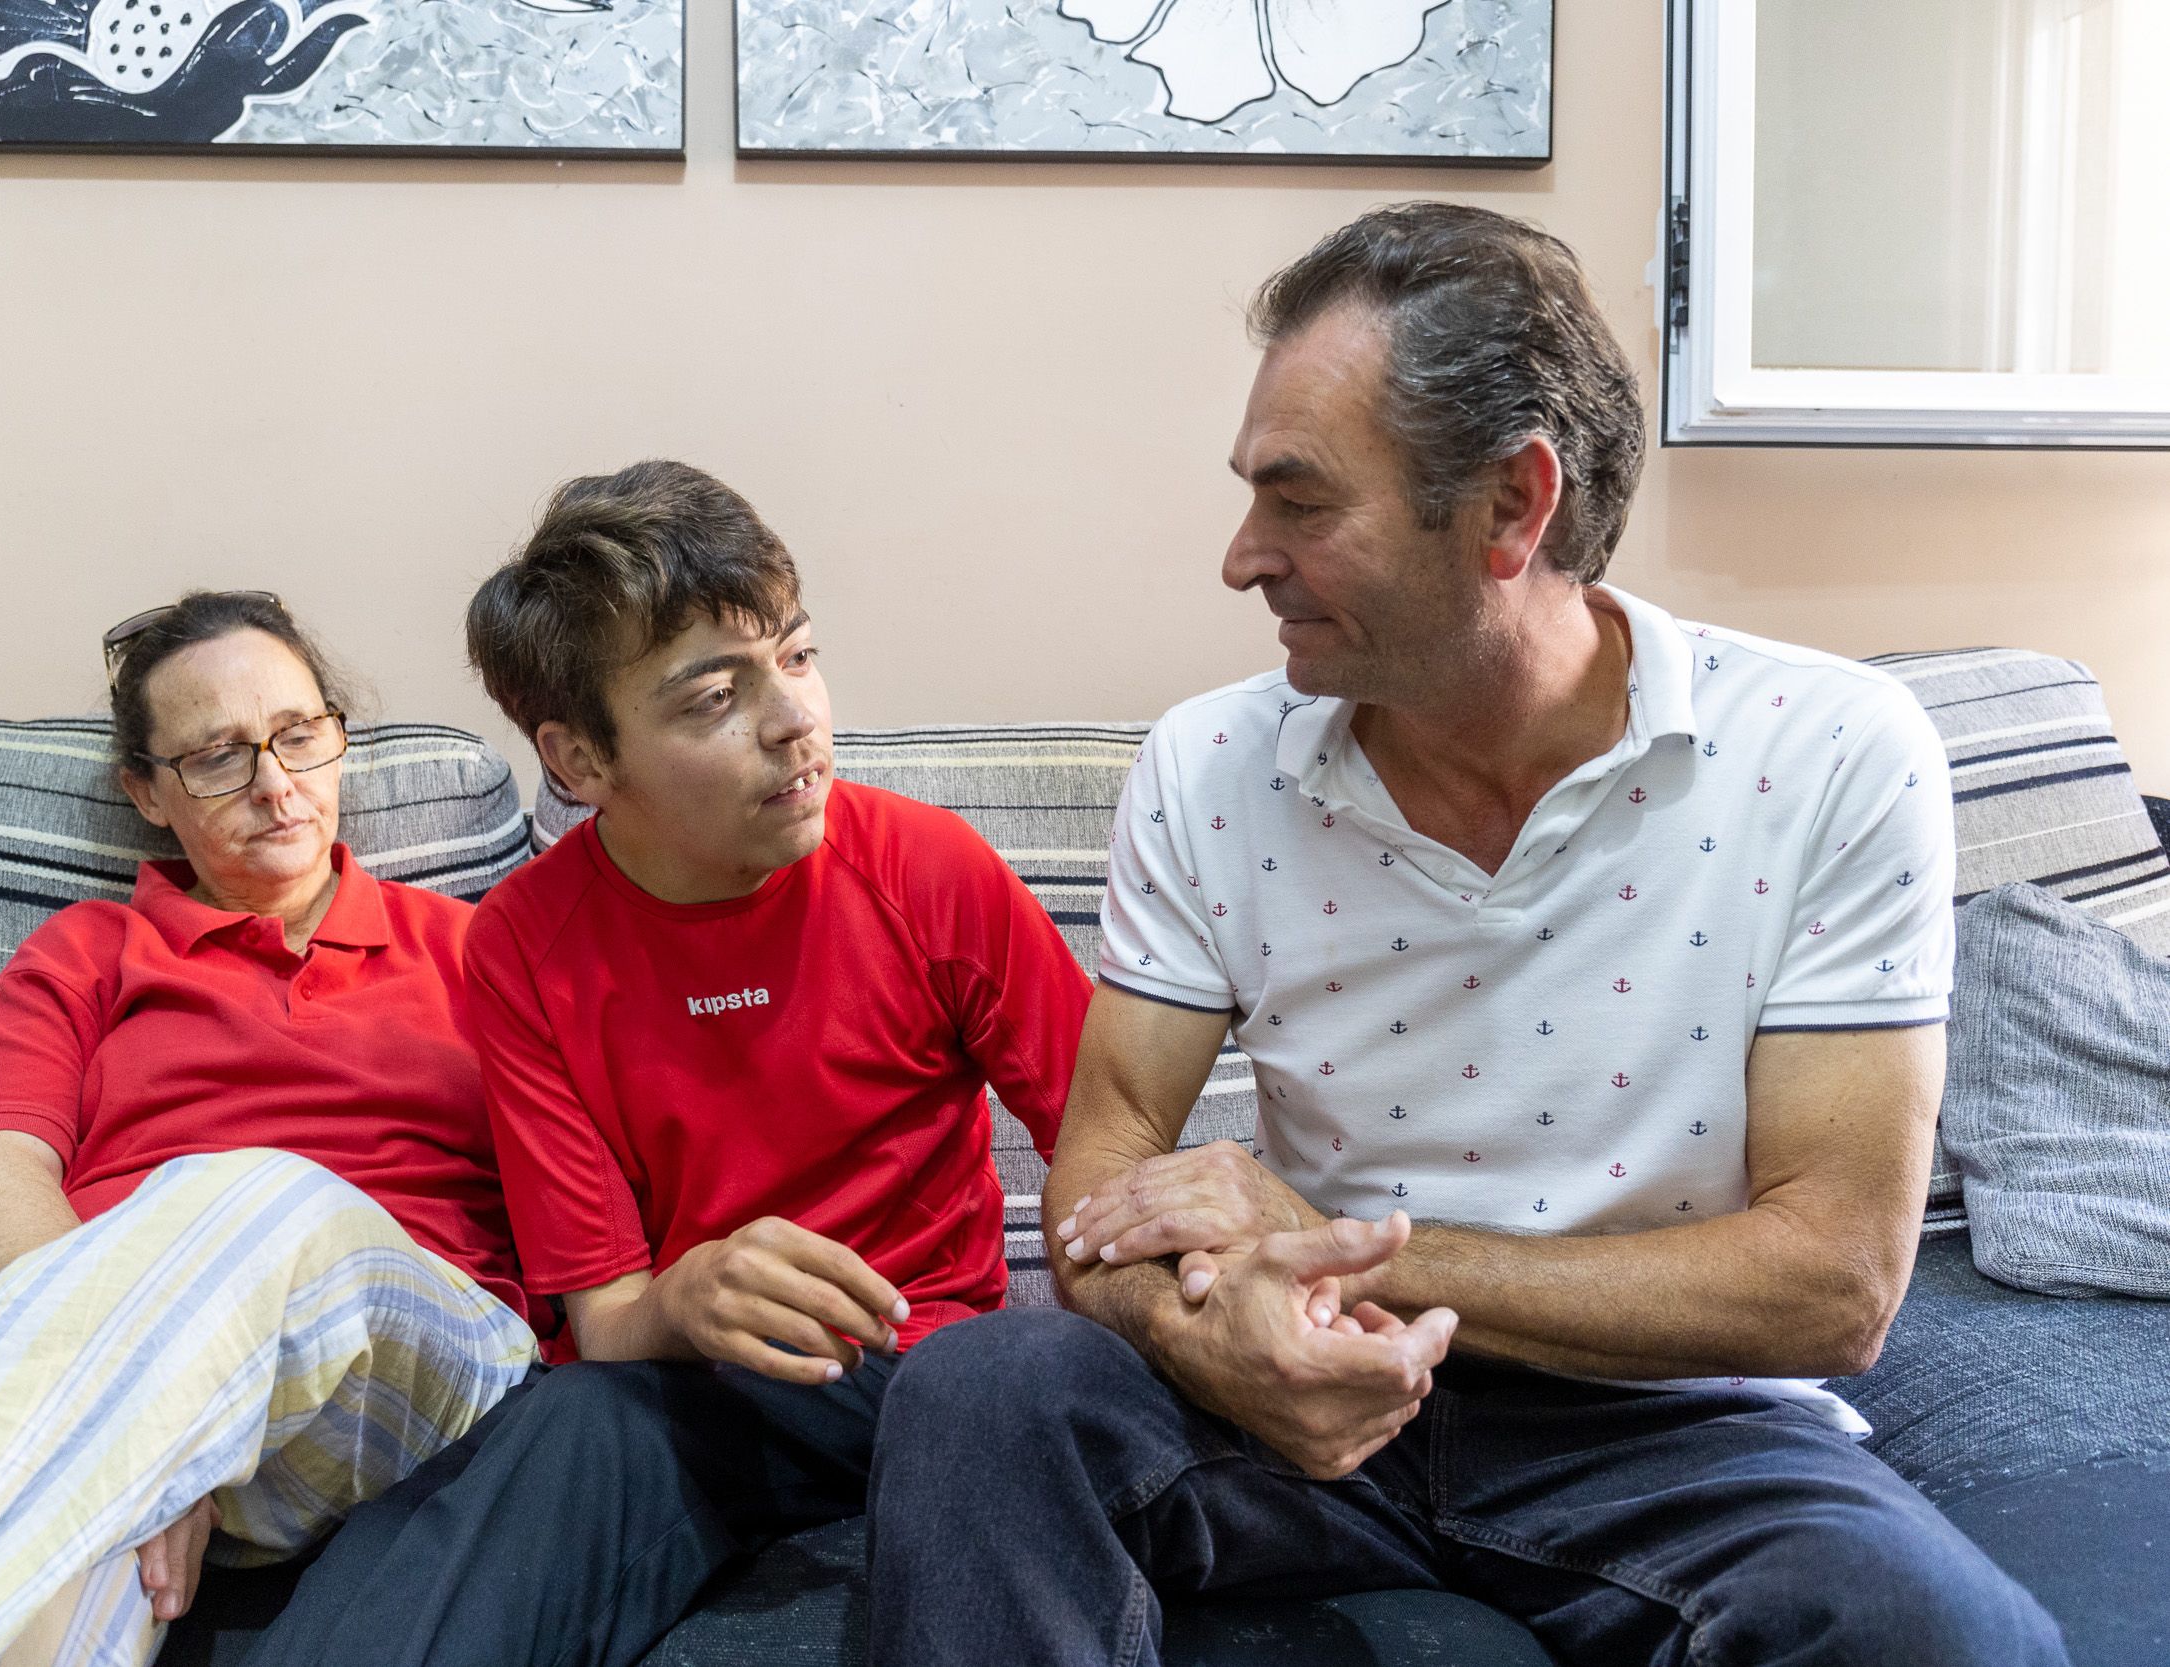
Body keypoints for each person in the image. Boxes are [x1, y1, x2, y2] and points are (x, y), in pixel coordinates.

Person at [866, 204, 2070, 1666]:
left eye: (1301, 503)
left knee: (1936, 1630)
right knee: (984, 1388)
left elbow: (1834, 1281)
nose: (1243, 557)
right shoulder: (1210, 764)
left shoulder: (1827, 752)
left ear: (1511, 503)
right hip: (1287, 1384)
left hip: (1660, 1419)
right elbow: (1102, 1162)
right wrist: (1207, 1334)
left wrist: (1339, 1252)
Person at [237, 459, 1092, 1667]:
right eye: (714, 698)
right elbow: (607, 1316)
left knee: (1012, 1379)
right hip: (694, 1393)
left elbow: (1114, 1161)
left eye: (797, 655)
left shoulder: (926, 869)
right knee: (548, 1435)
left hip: (924, 1375)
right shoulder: (522, 947)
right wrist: (685, 1298)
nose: (796, 720)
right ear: (580, 760)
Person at [0, 591, 543, 1667]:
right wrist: (151, 1419)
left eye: (299, 734)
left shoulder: (481, 951)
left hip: (396, 1374)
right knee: (25, 1608)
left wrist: (139, 1411)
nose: (277, 784)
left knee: (255, 1195)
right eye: (217, 757)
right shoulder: (84, 952)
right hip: (95, 1394)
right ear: (147, 792)